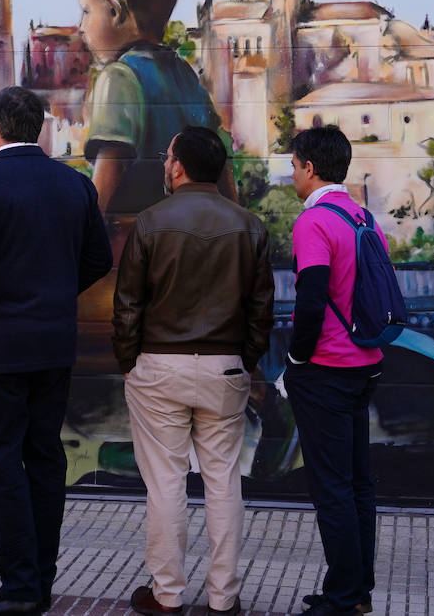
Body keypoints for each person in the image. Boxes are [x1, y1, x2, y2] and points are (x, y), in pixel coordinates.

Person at [0, 86, 113, 616]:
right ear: (38, 127)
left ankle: (17, 587)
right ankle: (39, 580)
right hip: (52, 345)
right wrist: (55, 295)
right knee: (44, 457)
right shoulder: (75, 185)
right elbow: (99, 259)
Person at [112, 126, 274, 616]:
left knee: (165, 483)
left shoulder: (149, 222)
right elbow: (262, 309)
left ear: (178, 166)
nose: (165, 163)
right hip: (225, 367)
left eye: (167, 156)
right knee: (224, 481)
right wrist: (244, 362)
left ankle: (167, 595)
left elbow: (127, 306)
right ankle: (224, 598)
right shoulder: (250, 226)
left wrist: (130, 361)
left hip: (159, 366)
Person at [284, 126, 384, 616]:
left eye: (293, 164)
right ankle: (357, 590)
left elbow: (312, 296)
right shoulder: (364, 217)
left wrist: (296, 358)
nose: (291, 173)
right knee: (358, 483)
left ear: (309, 167)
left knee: (332, 488)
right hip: (365, 363)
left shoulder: (314, 222)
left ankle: (342, 597)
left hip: (325, 367)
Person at [75, 0, 229, 216]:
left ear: (115, 10)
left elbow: (102, 194)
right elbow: (223, 173)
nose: (80, 27)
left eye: (85, 11)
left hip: (137, 247)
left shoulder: (118, 78)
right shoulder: (186, 76)